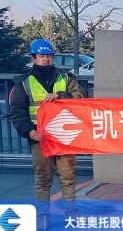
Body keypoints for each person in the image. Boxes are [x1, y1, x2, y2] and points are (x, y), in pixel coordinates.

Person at [10, 39, 86, 220]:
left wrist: (60, 95)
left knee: (68, 176)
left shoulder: (65, 78)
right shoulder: (25, 83)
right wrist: (29, 131)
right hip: (39, 138)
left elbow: (81, 97)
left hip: (63, 136)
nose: (46, 59)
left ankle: (71, 212)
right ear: (33, 58)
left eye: (49, 56)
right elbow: (18, 113)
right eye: (41, 56)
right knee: (43, 178)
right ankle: (43, 215)